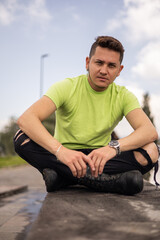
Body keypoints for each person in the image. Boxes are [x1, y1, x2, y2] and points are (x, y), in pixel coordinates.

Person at [14, 36, 159, 195]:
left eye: (111, 65)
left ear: (119, 70)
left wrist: (114, 147)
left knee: (152, 150)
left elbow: (149, 132)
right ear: (87, 63)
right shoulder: (67, 87)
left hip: (101, 160)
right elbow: (26, 119)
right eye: (99, 63)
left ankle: (64, 177)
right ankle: (106, 182)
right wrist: (61, 151)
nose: (104, 70)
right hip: (64, 156)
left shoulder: (124, 96)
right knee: (21, 138)